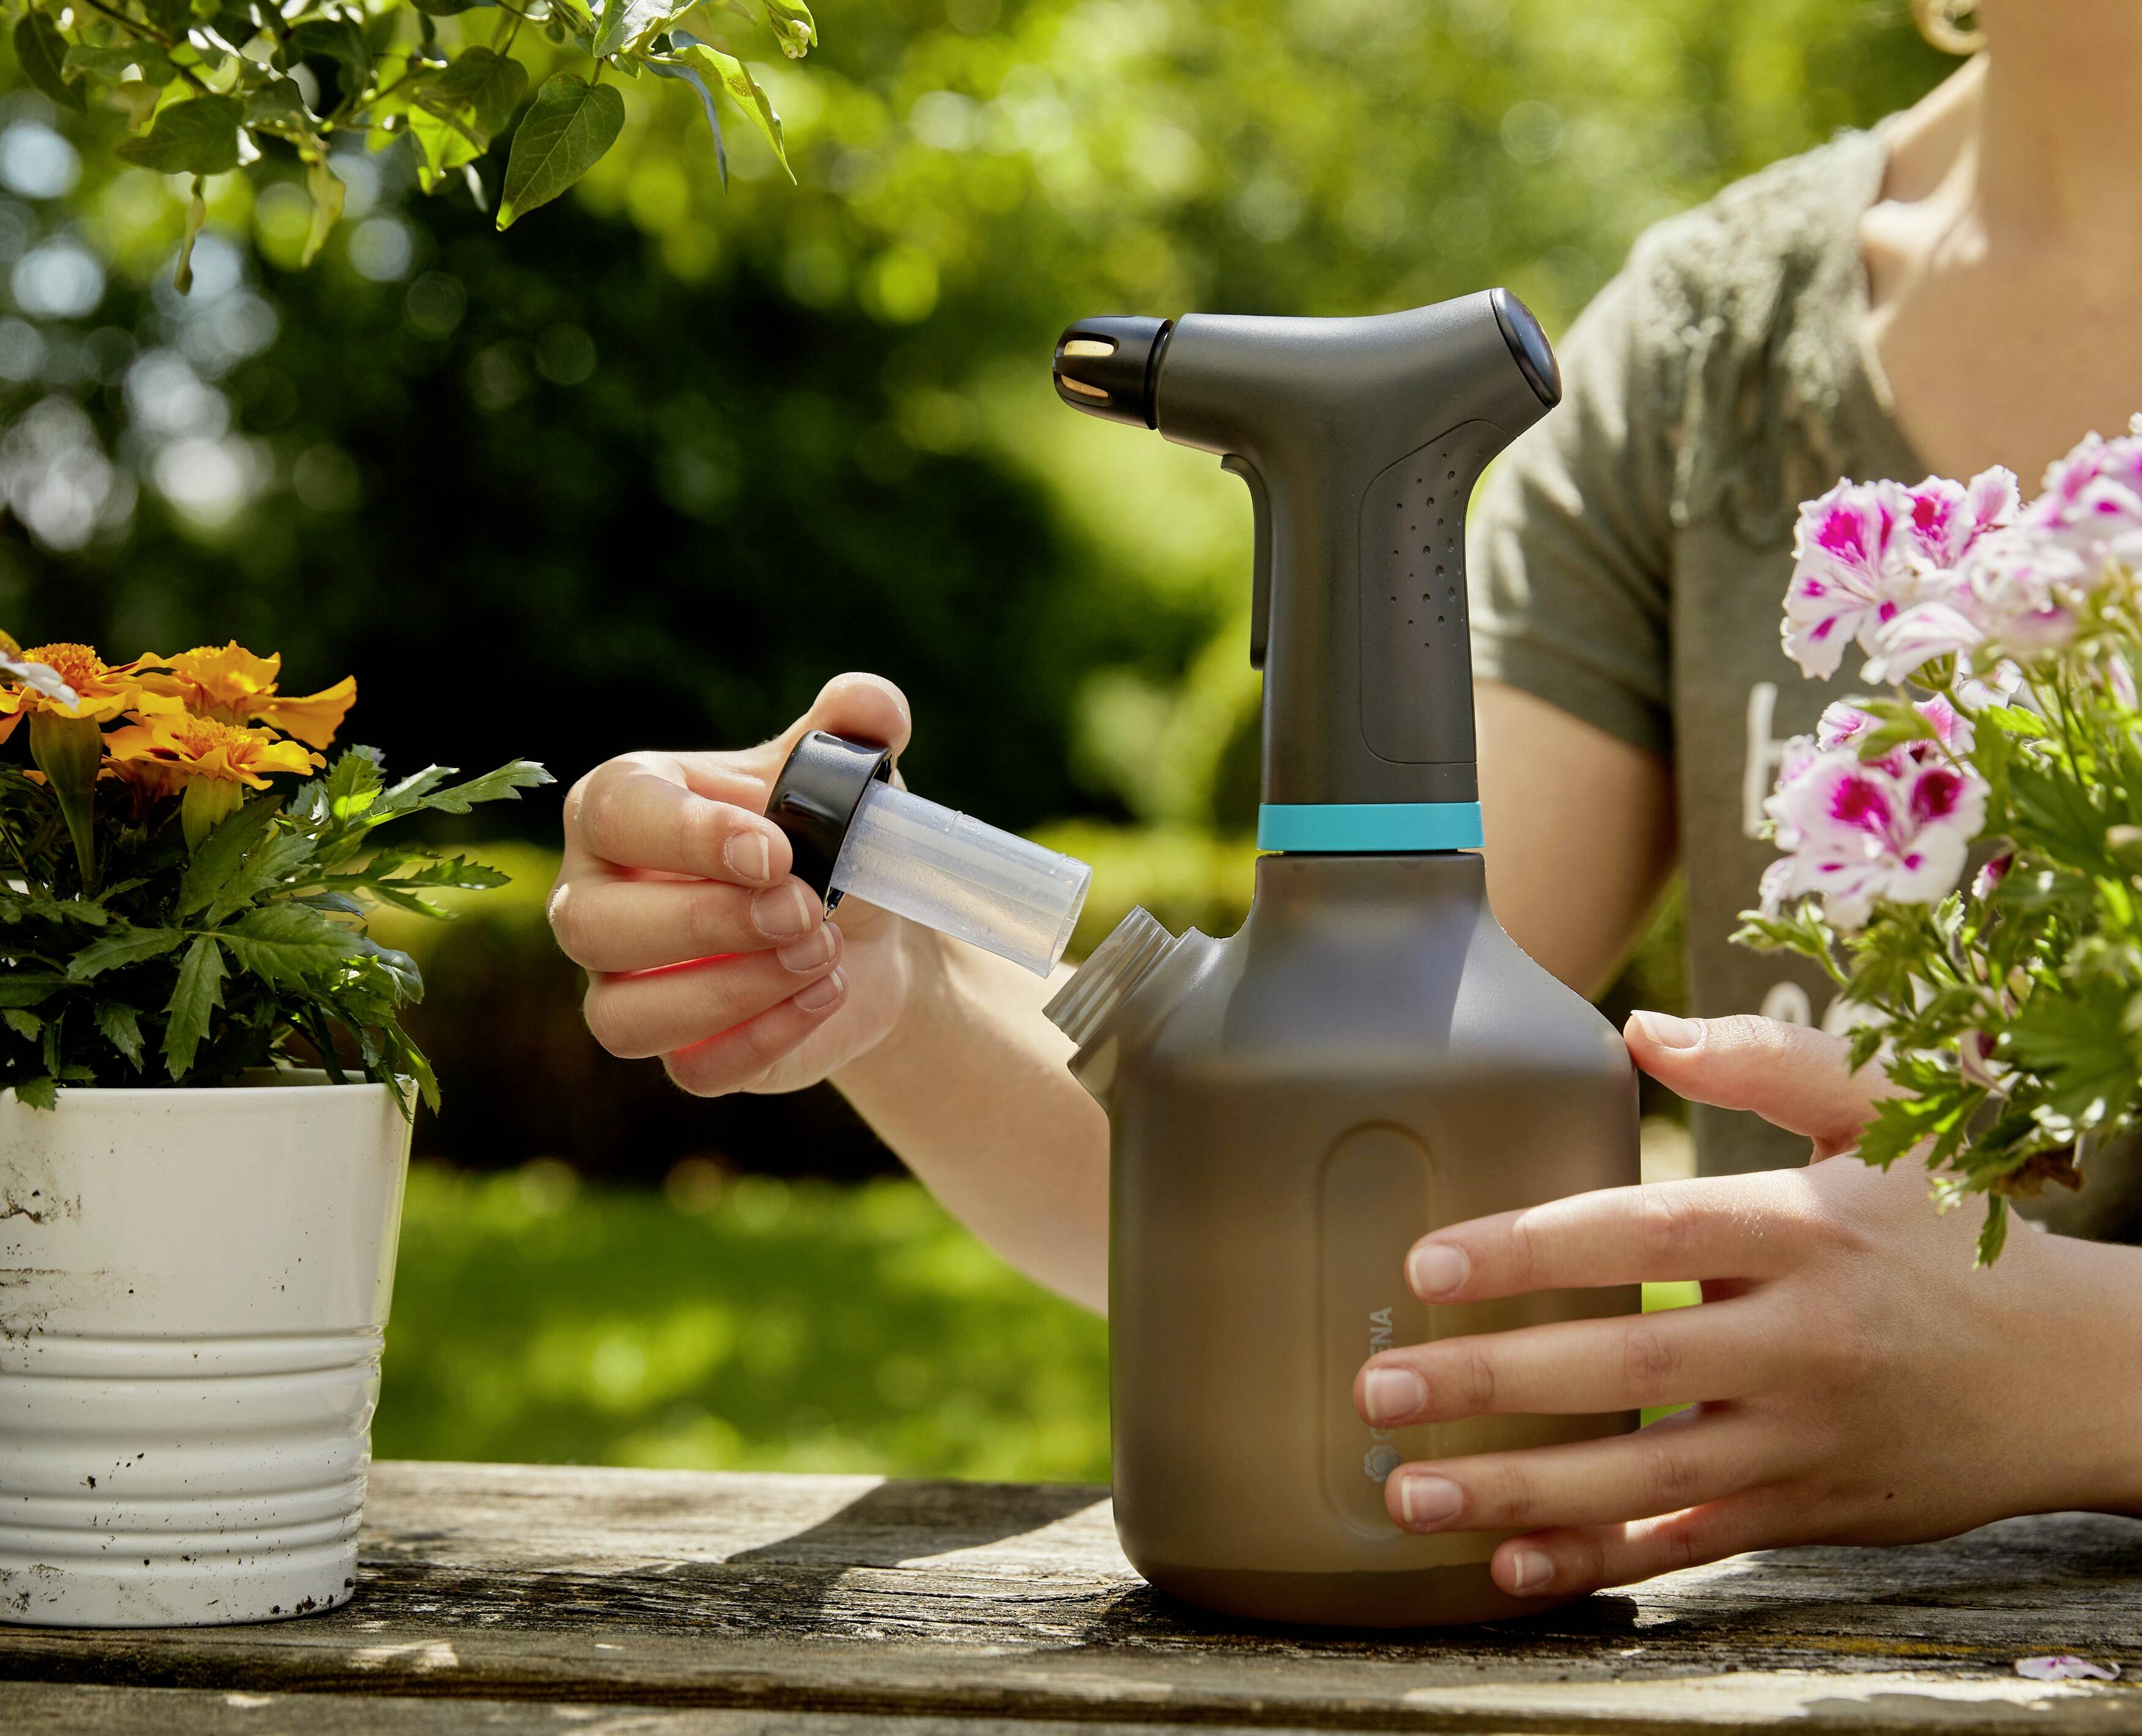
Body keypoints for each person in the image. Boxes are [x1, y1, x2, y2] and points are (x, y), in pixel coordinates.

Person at [547, 0, 2142, 1603]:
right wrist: (895, 991)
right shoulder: (1709, 355)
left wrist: (2085, 1379)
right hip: (1812, 1667)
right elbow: (1321, 1158)